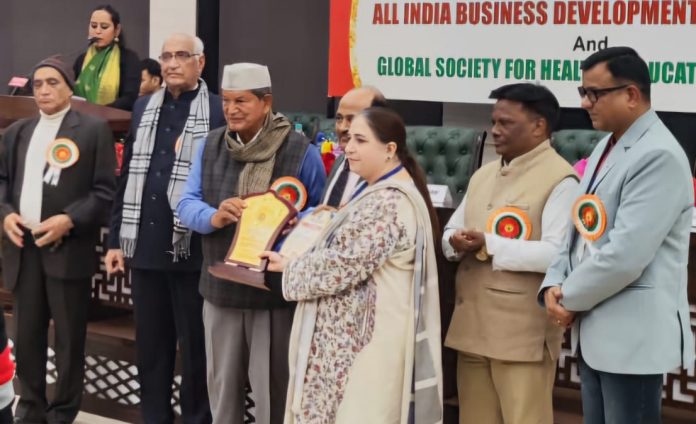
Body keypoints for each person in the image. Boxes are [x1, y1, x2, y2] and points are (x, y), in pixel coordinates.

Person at [540, 47, 695, 423]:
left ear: (631, 94)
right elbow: (576, 232)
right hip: (597, 330)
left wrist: (569, 297)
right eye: (582, 90)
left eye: (594, 93)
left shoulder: (658, 155)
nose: (584, 102)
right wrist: (552, 284)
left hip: (631, 337)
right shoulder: (605, 147)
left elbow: (626, 255)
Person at [260, 107, 442, 423]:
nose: (348, 148)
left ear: (389, 149)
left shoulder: (390, 202)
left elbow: (342, 266)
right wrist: (291, 260)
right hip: (342, 347)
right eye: (347, 138)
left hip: (364, 350)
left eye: (360, 140)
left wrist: (287, 272)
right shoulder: (374, 191)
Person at [176, 62, 326, 424]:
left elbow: (322, 214)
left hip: (271, 295)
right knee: (222, 393)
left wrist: (290, 224)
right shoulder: (211, 144)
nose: (231, 109)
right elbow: (185, 203)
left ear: (266, 102)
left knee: (272, 395)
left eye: (241, 101)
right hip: (220, 290)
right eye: (226, 101)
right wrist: (214, 216)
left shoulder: (299, 150)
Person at [104, 33, 223, 424]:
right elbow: (126, 178)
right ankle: (154, 418)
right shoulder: (142, 107)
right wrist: (116, 239)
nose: (172, 63)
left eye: (181, 56)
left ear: (200, 63)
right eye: (166, 56)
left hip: (194, 251)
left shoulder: (219, 112)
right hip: (146, 247)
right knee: (151, 350)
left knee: (196, 350)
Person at [444, 83, 578, 424]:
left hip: (521, 336)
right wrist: (454, 241)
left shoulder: (561, 179)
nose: (495, 130)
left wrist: (490, 244)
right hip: (472, 326)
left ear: (539, 126)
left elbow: (557, 255)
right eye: (494, 121)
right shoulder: (483, 173)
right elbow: (451, 231)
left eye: (506, 123)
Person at [0, 56, 116, 424]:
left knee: (68, 340)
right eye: (38, 84)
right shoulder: (18, 131)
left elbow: (104, 192)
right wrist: (6, 214)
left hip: (66, 249)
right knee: (28, 337)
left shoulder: (93, 130)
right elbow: (2, 183)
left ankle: (63, 412)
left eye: (52, 82)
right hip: (24, 248)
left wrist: (69, 219)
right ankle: (31, 408)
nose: (44, 90)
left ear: (70, 87)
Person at [321, 86, 386, 207]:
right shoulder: (340, 161)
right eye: (339, 118)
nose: (342, 127)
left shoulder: (386, 174)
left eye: (352, 119)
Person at [73, 4, 140, 111]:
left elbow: (130, 98)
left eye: (104, 27)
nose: (98, 31)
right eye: (94, 26)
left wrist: (99, 111)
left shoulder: (129, 59)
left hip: (116, 122)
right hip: (81, 122)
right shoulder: (81, 60)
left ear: (117, 30)